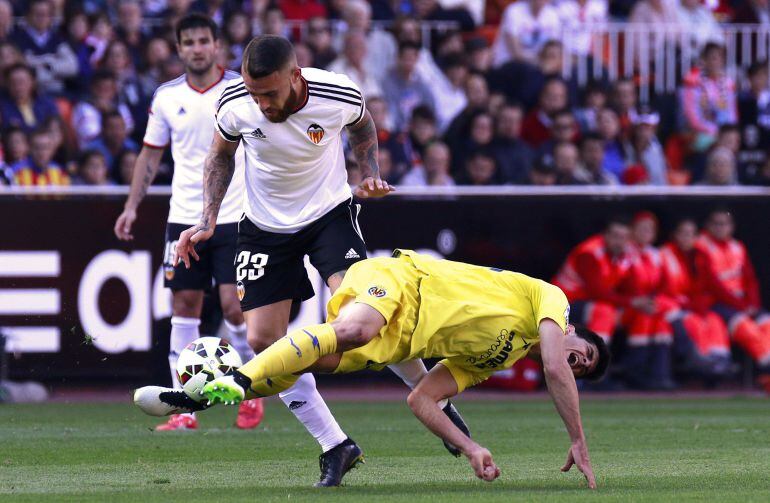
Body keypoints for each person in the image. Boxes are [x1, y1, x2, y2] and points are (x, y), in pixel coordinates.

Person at [168, 34, 470, 487]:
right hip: (264, 228)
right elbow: (220, 157)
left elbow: (363, 125)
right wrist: (208, 219)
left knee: (365, 316)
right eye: (254, 92)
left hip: (329, 216)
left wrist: (368, 172)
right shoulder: (235, 103)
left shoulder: (337, 92)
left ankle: (435, 400)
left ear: (295, 76)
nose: (263, 103)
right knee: (265, 343)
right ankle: (336, 444)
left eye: (269, 93)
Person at [135, 249, 607, 488]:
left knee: (307, 360)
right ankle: (233, 380)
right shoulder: (552, 299)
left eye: (584, 370)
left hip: (400, 340)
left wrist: (470, 448)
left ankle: (207, 394)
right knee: (354, 329)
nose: (578, 364)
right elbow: (554, 366)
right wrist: (579, 438)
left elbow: (422, 398)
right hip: (405, 282)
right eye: (584, 353)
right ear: (572, 330)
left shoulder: (495, 359)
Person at [113, 14, 262, 433]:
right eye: (189, 42)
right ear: (179, 49)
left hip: (235, 215)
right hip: (182, 218)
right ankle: (184, 410)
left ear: (216, 45)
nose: (197, 48)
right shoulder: (165, 98)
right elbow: (150, 155)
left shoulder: (241, 90)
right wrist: (131, 206)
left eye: (203, 40)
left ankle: (251, 391)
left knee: (235, 306)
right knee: (184, 308)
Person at [693, 209, 770, 388]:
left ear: (732, 227)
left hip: (743, 303)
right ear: (708, 226)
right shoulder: (701, 246)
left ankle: (765, 373)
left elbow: (750, 279)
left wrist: (752, 304)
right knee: (746, 328)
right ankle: (767, 372)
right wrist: (742, 306)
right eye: (717, 223)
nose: (721, 228)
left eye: (725, 223)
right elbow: (712, 285)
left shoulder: (737, 246)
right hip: (718, 303)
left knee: (766, 323)